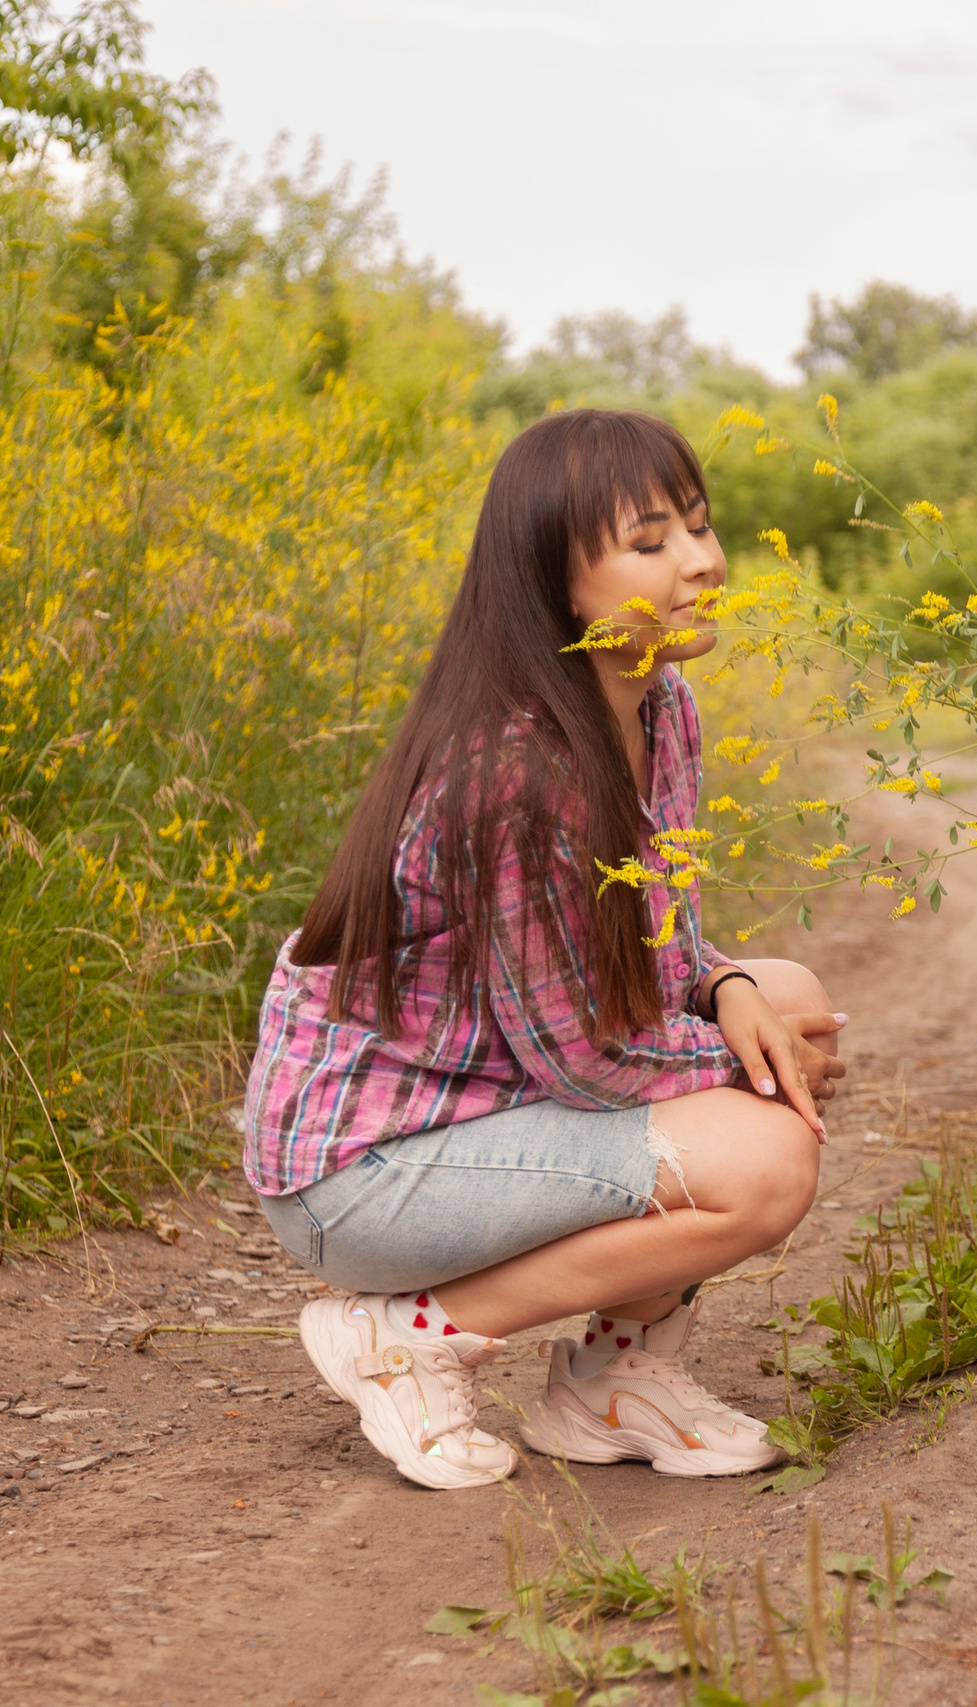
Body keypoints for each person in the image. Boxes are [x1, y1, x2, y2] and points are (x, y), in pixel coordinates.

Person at [241, 409, 843, 1489]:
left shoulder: (660, 706)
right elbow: (583, 1062)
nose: (703, 563)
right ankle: (407, 1332)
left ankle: (613, 1381)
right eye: (652, 542)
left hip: (487, 1104)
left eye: (700, 528)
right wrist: (755, 1061)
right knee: (764, 1160)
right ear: (560, 584)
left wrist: (735, 988)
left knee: (785, 995)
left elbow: (654, 951)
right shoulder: (515, 777)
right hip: (367, 1170)